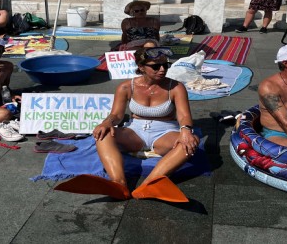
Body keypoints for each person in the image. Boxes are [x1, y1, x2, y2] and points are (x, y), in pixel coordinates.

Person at [59, 47, 198, 202]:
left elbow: (184, 115)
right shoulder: (126, 87)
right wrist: (107, 123)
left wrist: (186, 130)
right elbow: (116, 115)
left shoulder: (176, 87)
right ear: (141, 67)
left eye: (166, 65)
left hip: (164, 133)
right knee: (103, 134)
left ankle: (150, 184)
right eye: (155, 66)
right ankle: (118, 183)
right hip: (135, 131)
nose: (162, 69)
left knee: (190, 143)